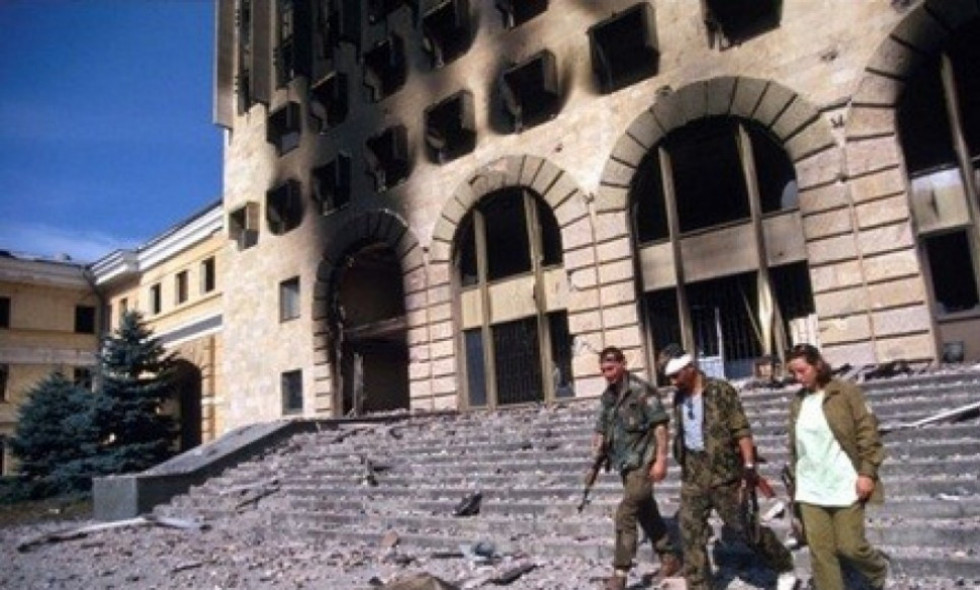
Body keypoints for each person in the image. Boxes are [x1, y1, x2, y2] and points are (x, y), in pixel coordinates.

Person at [663, 346, 797, 590]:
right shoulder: (679, 398)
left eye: (675, 376)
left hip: (724, 474)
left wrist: (748, 466)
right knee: (690, 532)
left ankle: (783, 564)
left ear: (689, 368)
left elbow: (741, 429)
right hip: (693, 474)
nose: (672, 383)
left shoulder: (720, 391)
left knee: (745, 528)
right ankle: (700, 585)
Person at [786, 344, 889, 590]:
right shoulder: (798, 402)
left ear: (817, 365)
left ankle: (878, 570)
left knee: (850, 546)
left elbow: (868, 434)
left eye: (802, 371)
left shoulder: (845, 393)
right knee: (821, 553)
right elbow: (796, 448)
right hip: (810, 486)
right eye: (793, 373)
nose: (798, 378)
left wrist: (867, 473)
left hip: (845, 482)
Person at [591, 346, 682, 590]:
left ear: (623, 364)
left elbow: (660, 427)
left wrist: (661, 460)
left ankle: (619, 574)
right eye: (603, 370)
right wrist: (598, 446)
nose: (607, 374)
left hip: (643, 463)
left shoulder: (642, 390)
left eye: (611, 369)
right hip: (625, 464)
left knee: (626, 513)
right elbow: (602, 425)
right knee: (646, 512)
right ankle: (670, 558)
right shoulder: (608, 396)